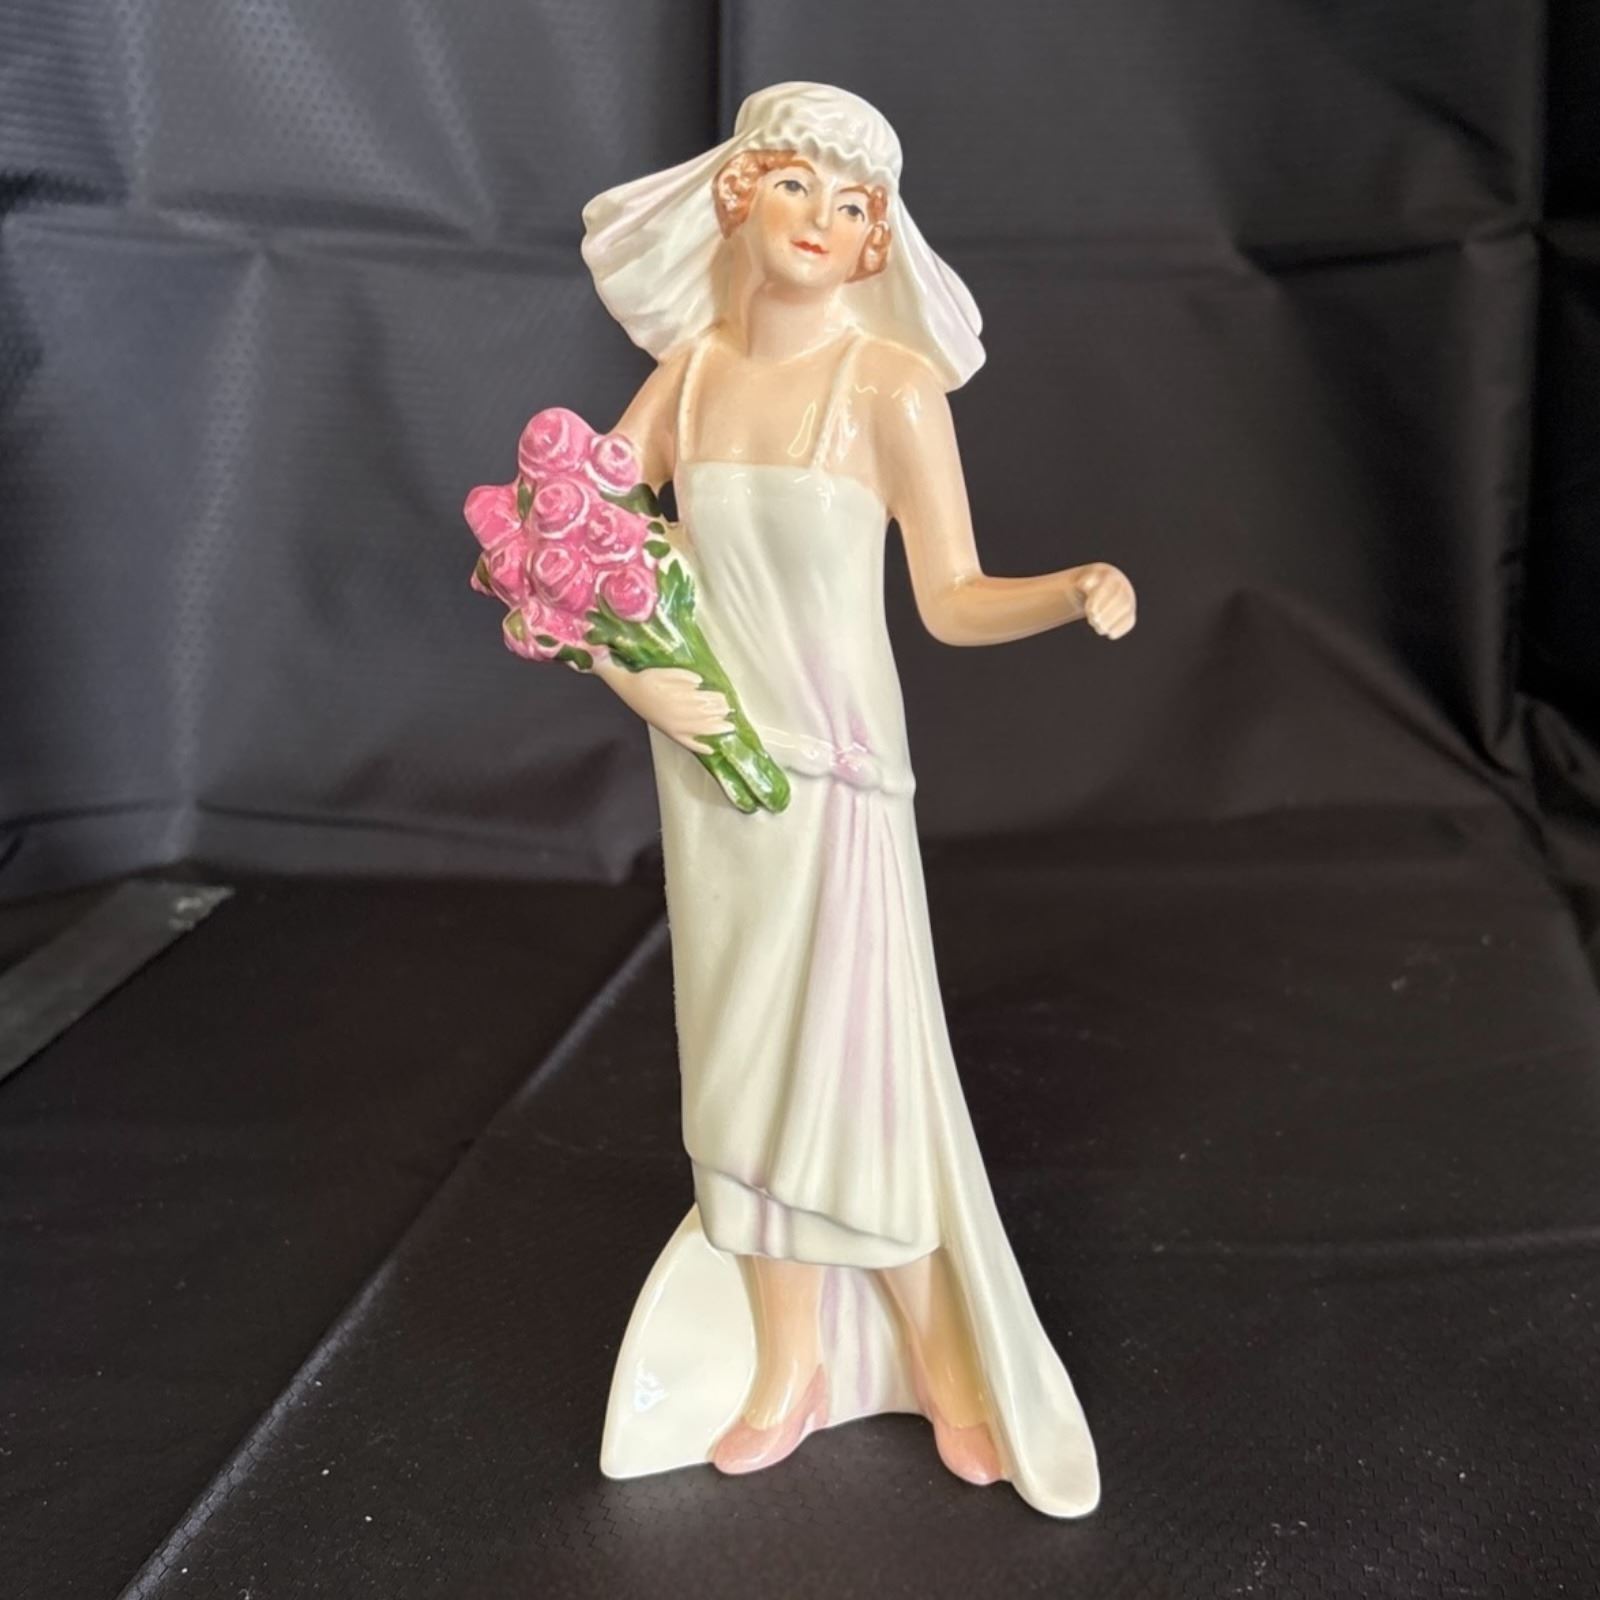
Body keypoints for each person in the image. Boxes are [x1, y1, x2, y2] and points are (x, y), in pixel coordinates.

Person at [579, 82, 1134, 1519]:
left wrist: (1068, 589)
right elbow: (560, 545)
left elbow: (949, 599)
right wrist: (642, 684)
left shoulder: (886, 387)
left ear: (878, 238)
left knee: (860, 1078)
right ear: (738, 198)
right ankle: (789, 1367)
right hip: (718, 783)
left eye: (852, 203)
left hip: (836, 783)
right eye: (795, 186)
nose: (822, 220)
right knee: (738, 1072)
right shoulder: (691, 377)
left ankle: (942, 1362)